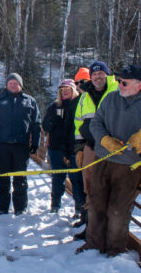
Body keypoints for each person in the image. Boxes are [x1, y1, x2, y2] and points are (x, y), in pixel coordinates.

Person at [76, 65, 141, 256]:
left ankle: (115, 248)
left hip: (129, 165)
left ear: (138, 85)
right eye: (119, 81)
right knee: (96, 204)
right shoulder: (111, 98)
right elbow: (95, 123)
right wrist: (105, 139)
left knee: (118, 210)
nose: (120, 84)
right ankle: (93, 243)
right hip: (102, 159)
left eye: (125, 82)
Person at [0, 73, 41, 215]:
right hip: (1, 145)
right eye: (11, 82)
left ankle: (20, 207)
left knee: (20, 178)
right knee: (2, 177)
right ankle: (2, 207)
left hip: (21, 146)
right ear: (7, 84)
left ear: (20, 85)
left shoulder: (30, 101)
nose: (13, 85)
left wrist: (35, 142)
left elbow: (36, 123)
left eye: (16, 83)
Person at [73, 61, 118, 240]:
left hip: (114, 148)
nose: (98, 77)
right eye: (94, 74)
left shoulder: (117, 91)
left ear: (107, 74)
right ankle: (91, 228)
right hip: (91, 147)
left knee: (111, 190)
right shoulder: (84, 96)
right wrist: (79, 148)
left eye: (101, 73)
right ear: (90, 77)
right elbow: (78, 123)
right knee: (90, 188)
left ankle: (109, 232)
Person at [42, 79, 85, 215]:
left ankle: (79, 207)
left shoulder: (80, 104)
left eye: (68, 88)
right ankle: (55, 204)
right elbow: (45, 125)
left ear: (73, 89)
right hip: (56, 148)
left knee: (76, 179)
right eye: (62, 89)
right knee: (58, 177)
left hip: (74, 148)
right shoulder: (55, 106)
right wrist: (53, 122)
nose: (65, 91)